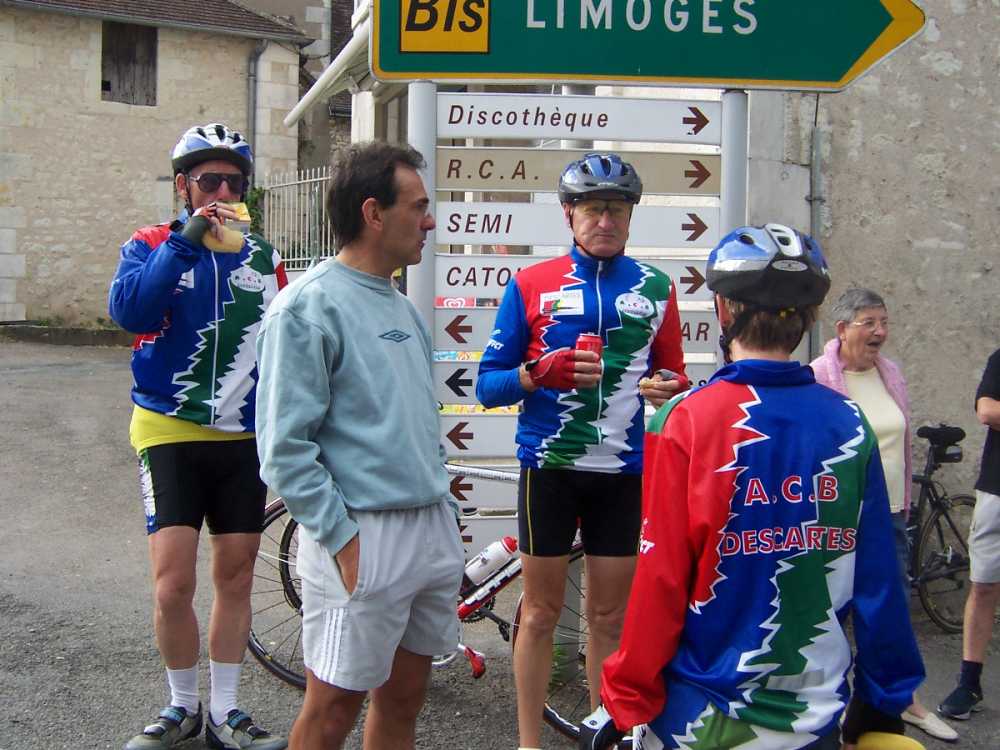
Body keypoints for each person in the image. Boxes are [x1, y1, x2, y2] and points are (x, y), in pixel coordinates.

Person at [579, 224, 925, 750]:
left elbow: (661, 578)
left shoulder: (685, 420)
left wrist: (626, 700)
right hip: (815, 719)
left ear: (722, 309)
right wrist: (883, 702)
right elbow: (879, 580)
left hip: (701, 721)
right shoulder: (851, 424)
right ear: (810, 318)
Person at [476, 152, 689, 749]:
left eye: (617, 209)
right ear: (569, 214)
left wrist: (668, 388)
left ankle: (607, 737)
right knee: (539, 613)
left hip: (622, 471)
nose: (605, 221)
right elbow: (487, 385)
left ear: (630, 216)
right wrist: (535, 374)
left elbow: (676, 378)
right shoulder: (531, 284)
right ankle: (528, 743)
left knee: (609, 618)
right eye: (593, 208)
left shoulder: (656, 288)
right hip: (549, 467)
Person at [254, 142, 464, 750]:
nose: (429, 220)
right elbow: (284, 448)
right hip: (362, 533)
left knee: (404, 699)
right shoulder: (306, 308)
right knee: (331, 709)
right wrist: (343, 540)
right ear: (374, 213)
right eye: (418, 206)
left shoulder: (401, 306)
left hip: (427, 526)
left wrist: (443, 511)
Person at [108, 123, 288, 750]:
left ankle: (227, 712)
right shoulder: (149, 244)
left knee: (235, 576)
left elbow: (287, 345)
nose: (223, 193)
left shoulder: (263, 258)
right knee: (173, 582)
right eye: (209, 181)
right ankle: (182, 706)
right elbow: (130, 311)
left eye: (235, 183)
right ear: (184, 187)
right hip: (168, 430)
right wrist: (185, 243)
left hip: (242, 439)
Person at [810, 289, 957, 744]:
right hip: (838, 518)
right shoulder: (818, 376)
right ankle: (826, 706)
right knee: (828, 616)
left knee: (887, 620)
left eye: (884, 322)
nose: (880, 331)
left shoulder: (889, 372)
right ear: (842, 329)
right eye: (869, 322)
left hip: (890, 514)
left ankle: (895, 704)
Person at [938, 347, 1000, 720]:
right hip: (997, 490)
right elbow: (988, 410)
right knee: (984, 586)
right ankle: (969, 684)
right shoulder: (999, 359)